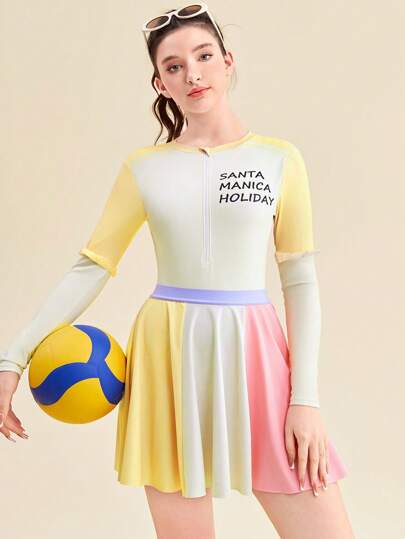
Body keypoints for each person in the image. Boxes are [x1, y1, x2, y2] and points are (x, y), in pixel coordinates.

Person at [0, 3, 355, 538]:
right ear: (160, 83)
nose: (192, 74)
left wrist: (305, 399)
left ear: (228, 61)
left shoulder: (280, 159)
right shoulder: (144, 167)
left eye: (204, 56)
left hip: (257, 352)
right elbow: (92, 265)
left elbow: (300, 280)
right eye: (173, 66)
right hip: (166, 357)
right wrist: (14, 357)